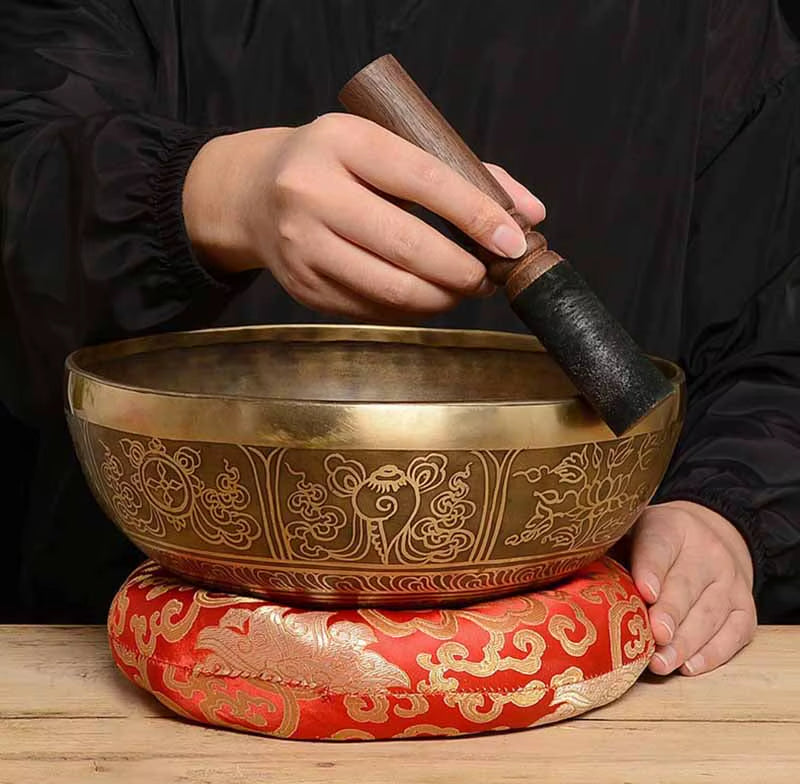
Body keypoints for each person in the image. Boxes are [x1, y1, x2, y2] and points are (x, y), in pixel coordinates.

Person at [1, 1, 799, 679]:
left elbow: (780, 332)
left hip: (589, 670)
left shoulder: (710, 25)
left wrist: (723, 510)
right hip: (128, 677)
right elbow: (23, 176)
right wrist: (213, 193)